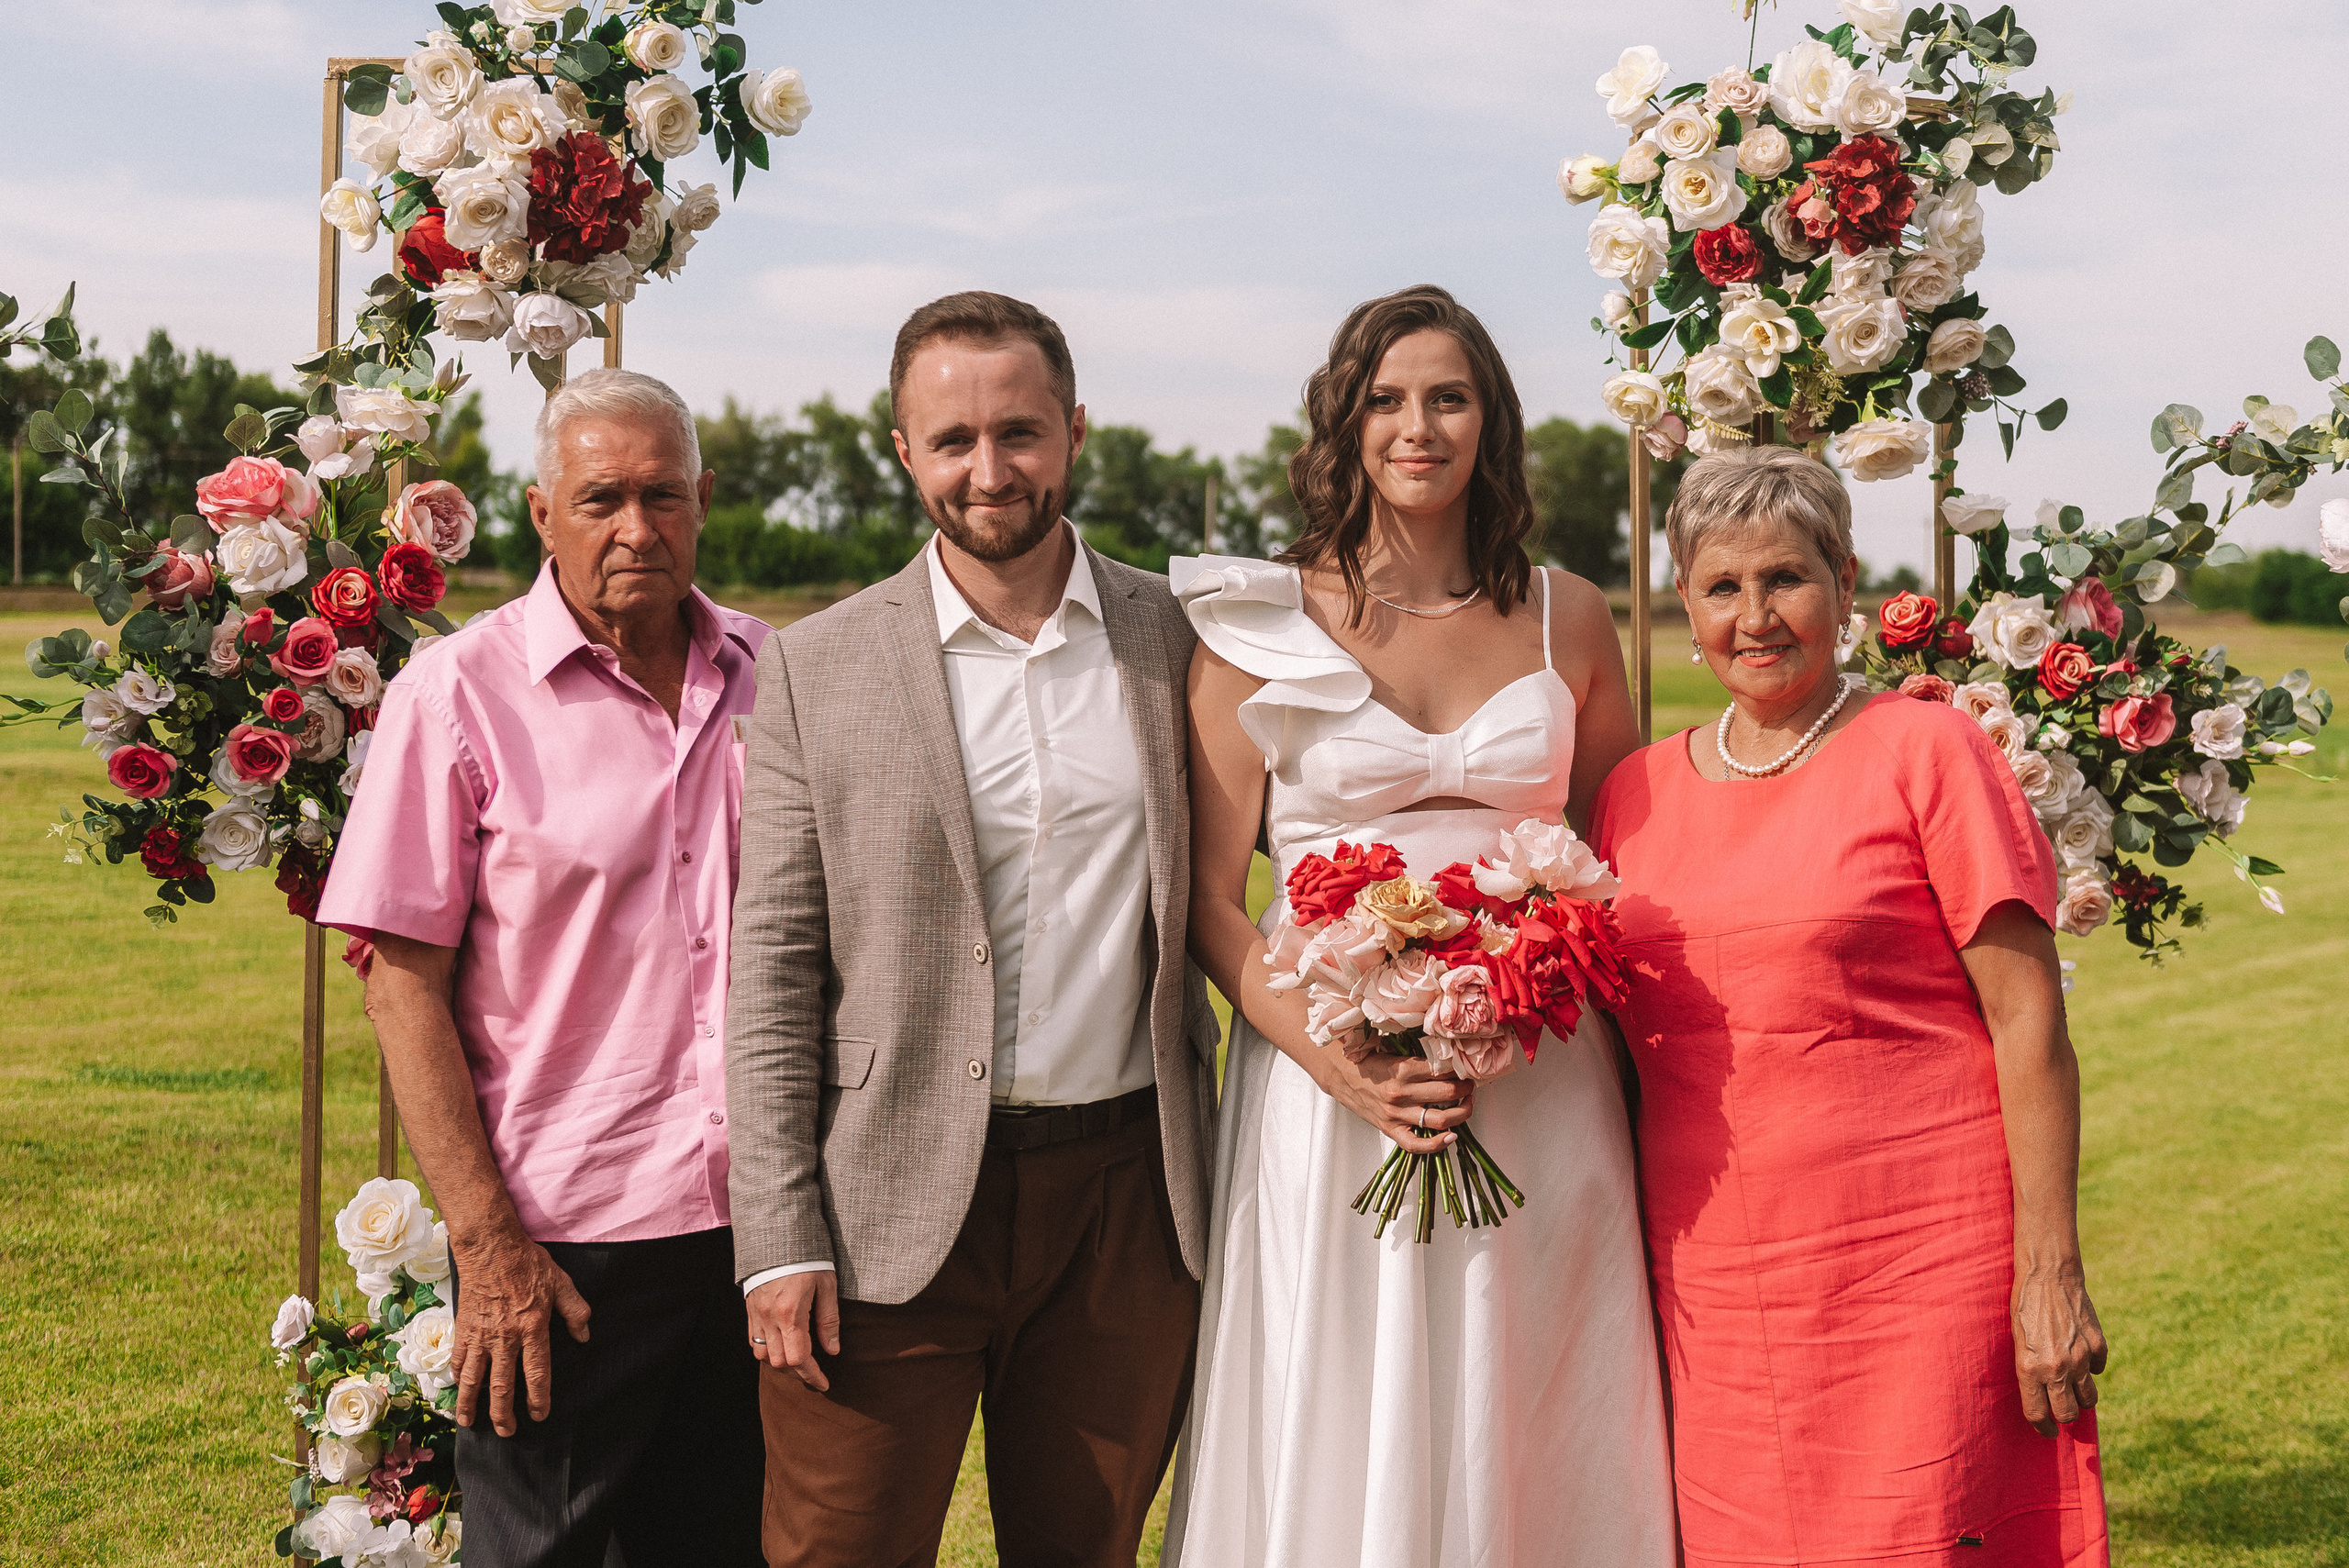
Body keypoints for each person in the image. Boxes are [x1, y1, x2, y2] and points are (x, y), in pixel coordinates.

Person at [1164, 284, 1676, 1564]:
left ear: (1490, 423)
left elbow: (1627, 852)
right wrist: (1345, 1063)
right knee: (1346, 1380)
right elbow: (1210, 902)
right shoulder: (1257, 623)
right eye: (1386, 399)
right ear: (1343, 423)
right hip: (1329, 1081)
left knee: (1536, 1379)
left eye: (1449, 397)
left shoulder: (1571, 615)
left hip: (1544, 1079)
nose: (1418, 426)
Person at [726, 290, 1219, 1568]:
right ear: (901, 447)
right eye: (952, 440)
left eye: (1021, 432)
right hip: (881, 1208)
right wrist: (777, 1238)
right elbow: (773, 974)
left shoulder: (1183, 639)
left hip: (1126, 1204)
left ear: (1076, 433)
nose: (988, 471)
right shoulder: (814, 666)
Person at [1587, 446, 2110, 1564]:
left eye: (1785, 576)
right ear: (1684, 600)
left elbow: (2029, 1021)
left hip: (1917, 1272)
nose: (1755, 615)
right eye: (1722, 586)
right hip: (1715, 1293)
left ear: (1844, 579)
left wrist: (2048, 1268)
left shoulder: (1928, 750)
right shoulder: (1631, 794)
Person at [317, 368, 771, 1566]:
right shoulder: (457, 694)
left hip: (762, 1230)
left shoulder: (778, 679)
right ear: (539, 512)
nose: (637, 527)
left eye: (664, 496)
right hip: (565, 1247)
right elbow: (397, 980)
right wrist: (486, 1241)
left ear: (704, 500)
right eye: (602, 498)